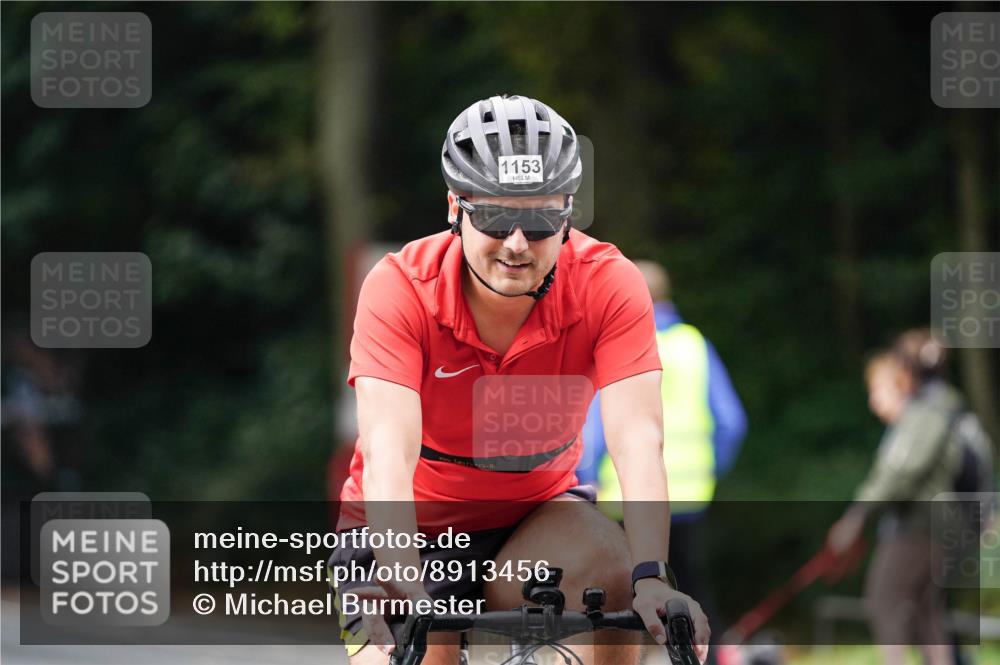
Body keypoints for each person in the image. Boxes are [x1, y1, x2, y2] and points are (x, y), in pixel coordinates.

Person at [328, 95, 710, 665]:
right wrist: (404, 580)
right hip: (410, 526)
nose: (515, 243)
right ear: (455, 206)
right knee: (408, 652)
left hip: (536, 517)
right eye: (495, 217)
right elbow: (388, 452)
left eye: (538, 221)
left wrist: (653, 576)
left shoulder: (608, 282)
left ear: (567, 214)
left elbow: (638, 439)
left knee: (615, 580)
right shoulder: (400, 286)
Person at [577, 261, 746, 664]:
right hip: (688, 493)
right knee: (690, 587)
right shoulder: (694, 344)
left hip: (622, 495)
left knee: (618, 592)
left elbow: (597, 428)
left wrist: (584, 479)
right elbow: (731, 422)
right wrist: (709, 470)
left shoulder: (619, 341)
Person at [827, 329, 968, 665]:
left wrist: (857, 515)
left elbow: (900, 475)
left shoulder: (925, 414)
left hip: (920, 527)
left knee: (884, 601)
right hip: (927, 525)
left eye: (878, 390)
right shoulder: (929, 411)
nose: (874, 401)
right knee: (925, 612)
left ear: (904, 377)